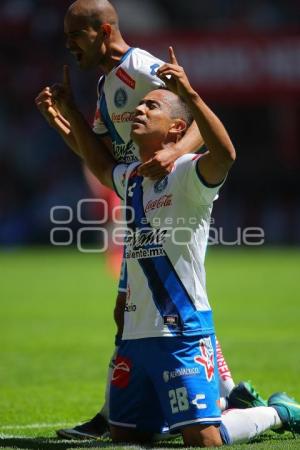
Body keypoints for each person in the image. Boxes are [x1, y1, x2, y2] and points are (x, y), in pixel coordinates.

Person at [47, 46, 300, 447]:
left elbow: (226, 154)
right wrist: (69, 116)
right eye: (140, 105)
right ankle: (198, 406)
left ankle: (276, 412)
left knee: (205, 440)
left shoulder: (188, 175)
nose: (139, 111)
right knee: (126, 436)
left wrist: (192, 95)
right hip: (134, 335)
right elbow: (98, 163)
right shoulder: (130, 176)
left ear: (176, 130)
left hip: (180, 333)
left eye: (151, 106)